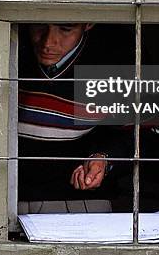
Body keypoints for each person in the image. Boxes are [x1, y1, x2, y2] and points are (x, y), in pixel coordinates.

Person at [18, 23, 133, 205]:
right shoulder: (10, 43)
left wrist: (104, 158)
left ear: (88, 24)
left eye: (65, 29)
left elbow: (136, 133)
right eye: (39, 25)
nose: (48, 42)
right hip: (8, 193)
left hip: (81, 199)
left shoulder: (114, 56)